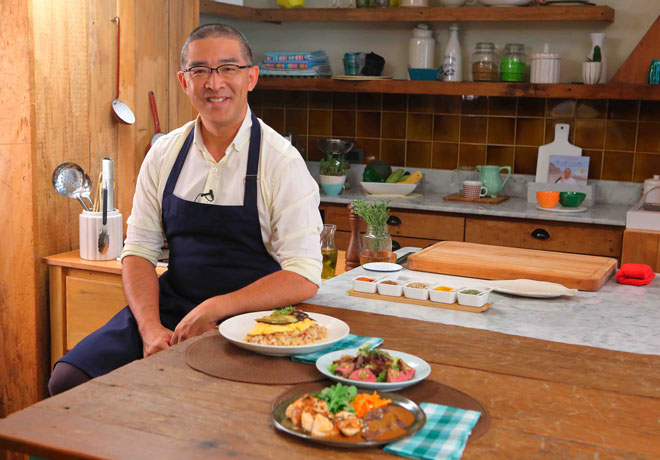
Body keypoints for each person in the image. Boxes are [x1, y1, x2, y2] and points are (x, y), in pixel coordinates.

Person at [48, 24, 323, 395]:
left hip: (252, 322)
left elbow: (303, 275)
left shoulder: (281, 163)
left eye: (228, 68)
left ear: (251, 77)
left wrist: (214, 308)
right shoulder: (164, 154)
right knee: (69, 379)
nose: (214, 83)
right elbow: (139, 251)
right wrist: (150, 329)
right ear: (184, 81)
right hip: (170, 309)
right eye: (200, 70)